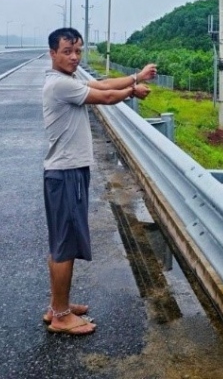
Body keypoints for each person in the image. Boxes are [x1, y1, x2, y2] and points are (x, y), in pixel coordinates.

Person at [42, 27, 156, 335]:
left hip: (63, 172)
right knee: (65, 245)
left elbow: (103, 83)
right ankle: (62, 317)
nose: (74, 57)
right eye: (67, 51)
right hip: (66, 173)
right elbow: (105, 96)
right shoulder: (59, 86)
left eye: (77, 50)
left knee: (60, 243)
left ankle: (57, 306)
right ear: (53, 53)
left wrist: (136, 77)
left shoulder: (69, 80)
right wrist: (132, 91)